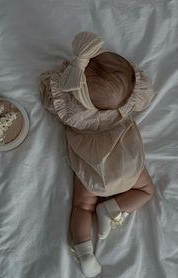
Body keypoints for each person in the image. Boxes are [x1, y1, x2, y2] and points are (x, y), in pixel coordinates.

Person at [39, 32, 155, 277]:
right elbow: (146, 93)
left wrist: (64, 75)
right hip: (127, 165)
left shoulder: (72, 107)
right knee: (146, 191)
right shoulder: (128, 101)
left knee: (82, 207)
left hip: (90, 169)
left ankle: (86, 255)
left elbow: (48, 97)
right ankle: (113, 208)